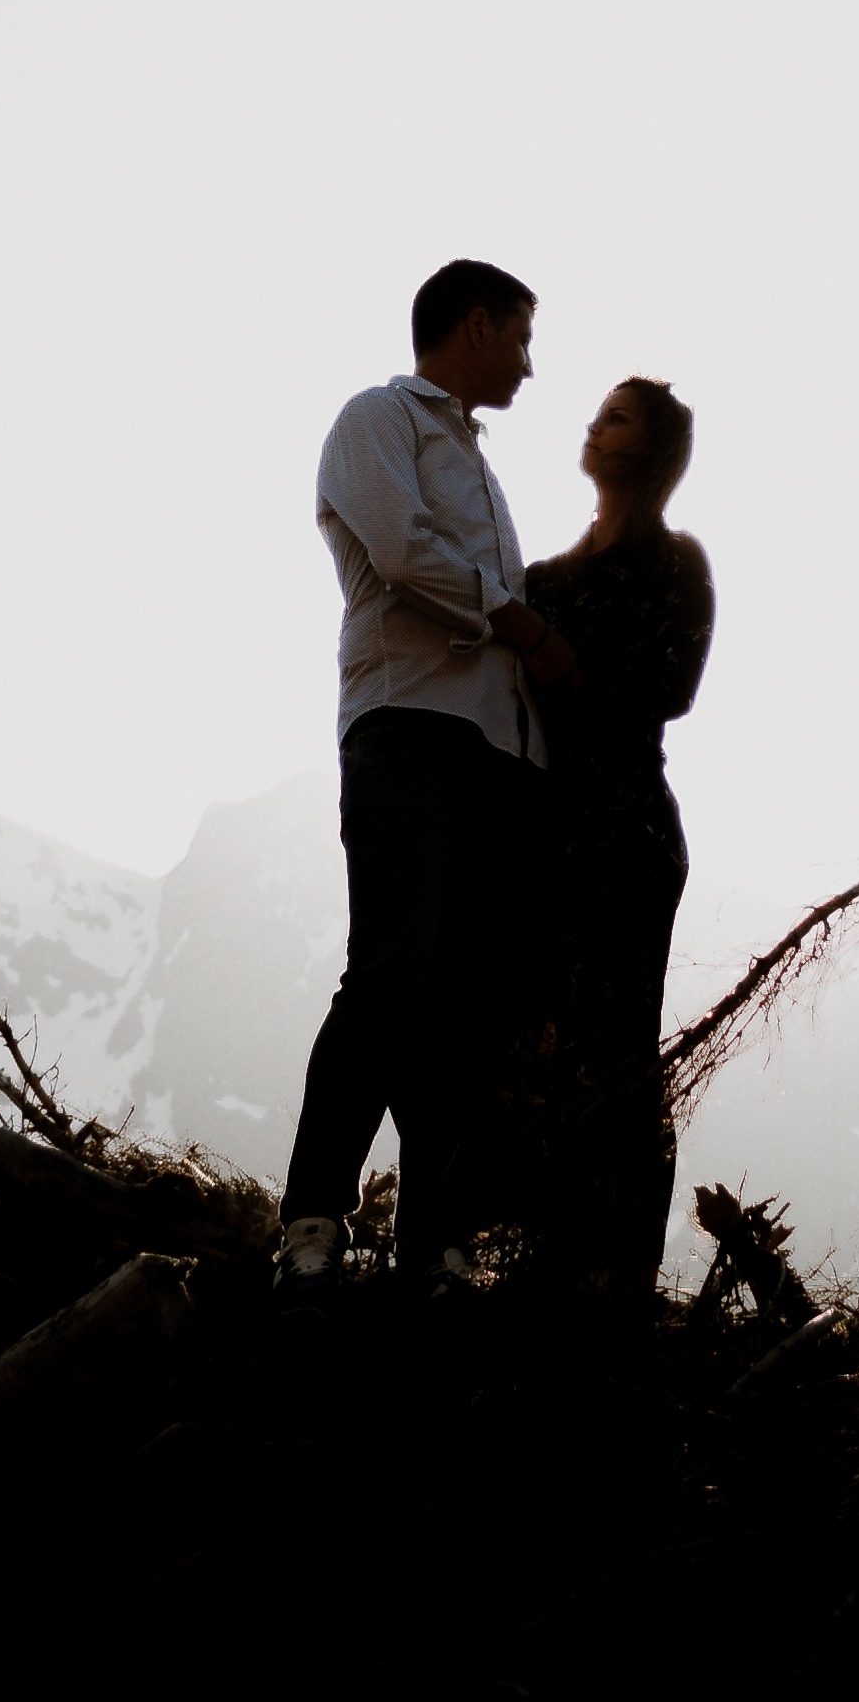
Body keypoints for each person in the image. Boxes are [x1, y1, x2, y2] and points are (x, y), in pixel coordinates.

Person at [275, 256, 579, 1286]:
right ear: (479, 324)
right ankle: (313, 1219)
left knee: (458, 1005)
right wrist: (517, 618)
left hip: (494, 752)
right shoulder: (379, 418)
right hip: (407, 726)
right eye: (524, 339)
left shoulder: (479, 463)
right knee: (392, 972)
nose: (531, 367)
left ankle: (429, 1243)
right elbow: (401, 551)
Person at [522, 376, 715, 1285]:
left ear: (651, 451)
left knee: (621, 1053)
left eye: (616, 417)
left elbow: (669, 687)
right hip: (542, 838)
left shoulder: (678, 563)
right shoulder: (543, 581)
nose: (594, 428)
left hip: (629, 833)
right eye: (598, 414)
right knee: (537, 1044)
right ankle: (552, 1256)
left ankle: (620, 1277)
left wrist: (562, 661)